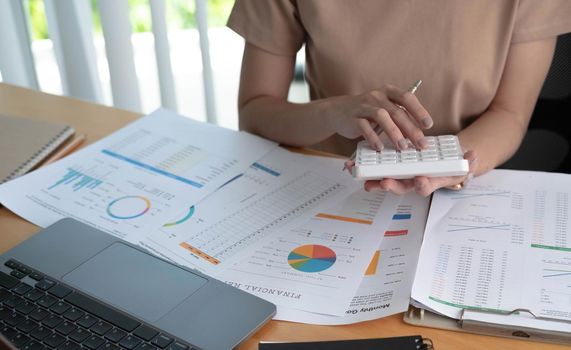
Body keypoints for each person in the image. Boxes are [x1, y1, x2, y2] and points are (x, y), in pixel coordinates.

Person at [227, 1, 571, 196]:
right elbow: (255, 110)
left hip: (461, 196)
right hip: (333, 193)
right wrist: (332, 113)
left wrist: (445, 166)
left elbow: (510, 112)